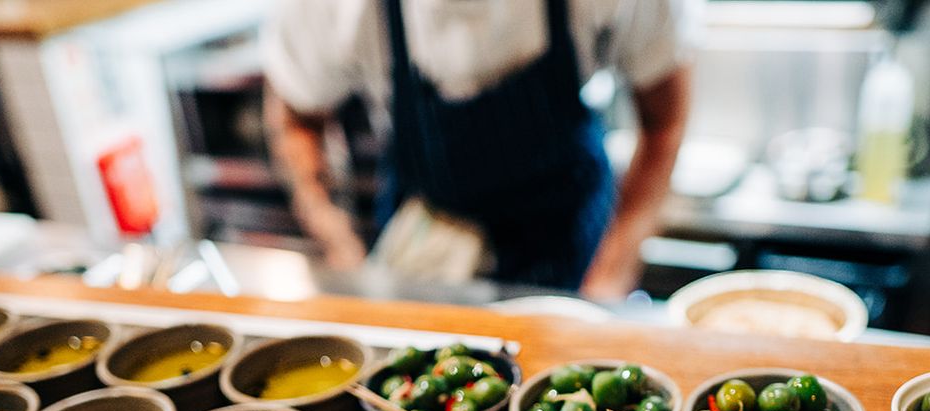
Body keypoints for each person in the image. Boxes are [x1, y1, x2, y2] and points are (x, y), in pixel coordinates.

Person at [263, 0, 699, 297]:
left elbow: (664, 123)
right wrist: (342, 249)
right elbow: (296, 120)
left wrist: (611, 275)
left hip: (572, 239)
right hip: (428, 245)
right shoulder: (336, 9)